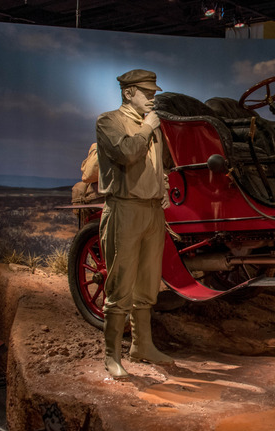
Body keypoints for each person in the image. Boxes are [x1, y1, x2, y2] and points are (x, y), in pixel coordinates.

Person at [96, 69, 173, 379]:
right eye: (146, 92)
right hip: (125, 208)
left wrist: (162, 188)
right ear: (128, 92)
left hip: (153, 211)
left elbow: (159, 165)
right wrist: (147, 129)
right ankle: (111, 355)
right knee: (120, 283)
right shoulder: (109, 121)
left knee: (148, 282)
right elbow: (126, 154)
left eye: (153, 92)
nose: (152, 97)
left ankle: (142, 346)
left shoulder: (151, 125)